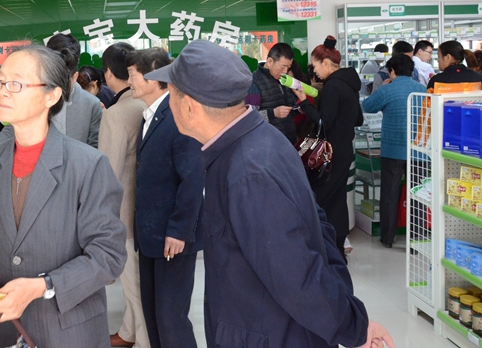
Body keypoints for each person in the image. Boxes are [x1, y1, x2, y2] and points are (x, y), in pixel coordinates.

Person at [142, 38, 395, 348]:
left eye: (170, 93)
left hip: (268, 335)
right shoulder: (259, 141)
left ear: (190, 106)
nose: (168, 103)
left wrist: (354, 326)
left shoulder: (248, 172)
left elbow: (296, 272)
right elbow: (319, 228)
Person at [0, 45, 126, 348]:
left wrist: (43, 286)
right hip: (7, 328)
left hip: (69, 331)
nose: (2, 92)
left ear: (51, 96)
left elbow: (108, 254)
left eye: (16, 84)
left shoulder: (87, 165)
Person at [128, 48, 203, 348]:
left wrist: (180, 230)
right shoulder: (150, 115)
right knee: (153, 315)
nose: (129, 81)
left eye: (133, 75)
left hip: (172, 238)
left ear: (154, 76)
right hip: (150, 236)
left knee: (171, 319)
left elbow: (193, 178)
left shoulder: (178, 115)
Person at [98, 43, 149, 348]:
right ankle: (129, 332)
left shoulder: (116, 114)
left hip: (124, 214)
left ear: (108, 73)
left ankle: (143, 340)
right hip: (144, 211)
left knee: (134, 287)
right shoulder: (145, 104)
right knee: (137, 283)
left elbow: (109, 173)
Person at [294, 36, 364, 257]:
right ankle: (337, 247)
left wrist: (304, 102)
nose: (314, 71)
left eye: (315, 65)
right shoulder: (351, 83)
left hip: (329, 153)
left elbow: (324, 122)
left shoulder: (333, 86)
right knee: (337, 200)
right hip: (345, 150)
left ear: (325, 62)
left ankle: (322, 249)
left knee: (321, 199)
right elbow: (359, 119)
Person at [362, 54, 426, 248]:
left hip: (392, 150)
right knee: (418, 194)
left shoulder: (387, 89)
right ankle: (416, 240)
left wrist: (383, 86)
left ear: (392, 71)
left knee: (389, 194)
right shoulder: (422, 89)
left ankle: (387, 238)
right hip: (419, 151)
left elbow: (367, 106)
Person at [0, 34, 102, 148]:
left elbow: (95, 147)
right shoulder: (32, 97)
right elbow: (11, 130)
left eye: (63, 81)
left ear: (75, 77)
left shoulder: (91, 104)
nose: (55, 87)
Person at [245, 42, 299, 144]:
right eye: (282, 67)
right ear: (270, 61)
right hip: (268, 144)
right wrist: (273, 113)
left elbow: (289, 108)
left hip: (288, 141)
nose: (285, 71)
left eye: (288, 67)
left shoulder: (283, 80)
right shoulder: (255, 82)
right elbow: (249, 119)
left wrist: (299, 109)